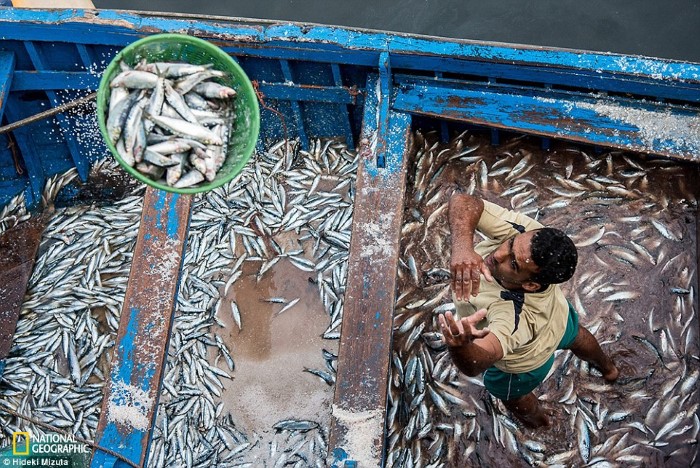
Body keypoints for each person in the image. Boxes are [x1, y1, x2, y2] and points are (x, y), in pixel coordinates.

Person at [438, 192, 619, 428]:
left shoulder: (515, 315)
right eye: (510, 244)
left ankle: (541, 424)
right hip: (558, 316)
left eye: (513, 263)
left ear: (531, 285)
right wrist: (462, 247)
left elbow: (475, 363)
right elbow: (463, 201)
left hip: (527, 362)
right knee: (575, 335)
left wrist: (460, 346)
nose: (498, 255)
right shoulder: (529, 237)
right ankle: (609, 369)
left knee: (514, 398)